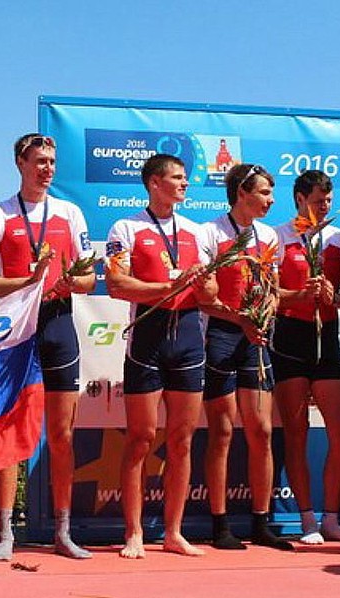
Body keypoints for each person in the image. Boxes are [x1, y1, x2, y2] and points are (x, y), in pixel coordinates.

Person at [0, 134, 96, 561]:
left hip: (58, 325)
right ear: (20, 163)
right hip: (15, 328)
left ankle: (63, 531)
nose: (47, 169)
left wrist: (65, 282)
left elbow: (89, 279)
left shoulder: (69, 212)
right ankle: (5, 532)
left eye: (52, 162)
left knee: (61, 435)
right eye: (39, 161)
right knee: (8, 431)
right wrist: (29, 283)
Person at [105, 154, 216, 558]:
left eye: (186, 178)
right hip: (147, 340)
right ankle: (133, 532)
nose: (185, 184)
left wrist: (201, 285)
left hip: (188, 338)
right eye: (177, 178)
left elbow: (212, 293)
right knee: (141, 438)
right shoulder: (126, 228)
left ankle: (174, 532)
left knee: (182, 441)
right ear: (155, 183)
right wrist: (170, 286)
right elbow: (116, 284)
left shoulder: (197, 232)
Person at [200, 163, 293, 551]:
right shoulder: (209, 233)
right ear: (242, 193)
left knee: (261, 430)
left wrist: (264, 315)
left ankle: (260, 521)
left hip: (255, 337)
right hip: (221, 335)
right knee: (222, 432)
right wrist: (240, 319)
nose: (271, 200)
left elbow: (273, 288)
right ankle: (220, 524)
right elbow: (204, 297)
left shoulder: (269, 235)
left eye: (272, 193)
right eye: (264, 193)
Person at [271, 170, 340, 544]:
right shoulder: (278, 237)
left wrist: (333, 297)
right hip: (289, 338)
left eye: (328, 200)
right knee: (297, 434)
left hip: (328, 339)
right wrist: (299, 295)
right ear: (299, 199)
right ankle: (307, 520)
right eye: (317, 201)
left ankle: (332, 519)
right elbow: (266, 294)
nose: (324, 207)